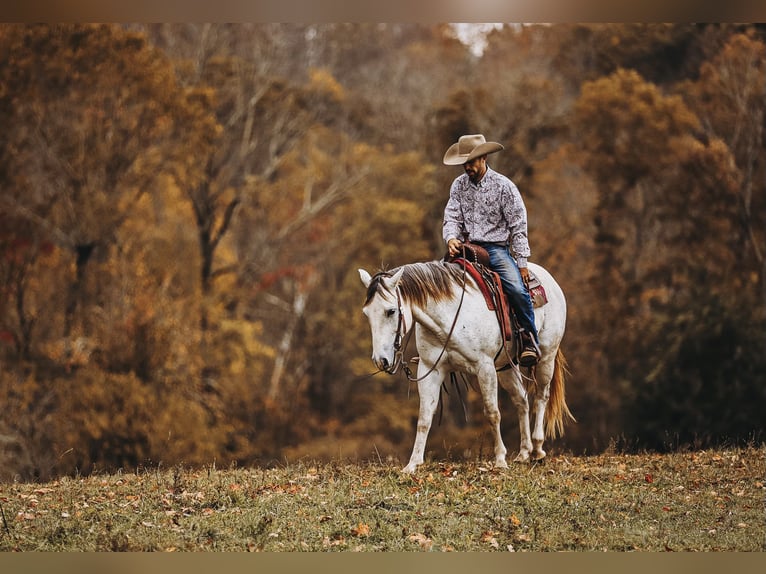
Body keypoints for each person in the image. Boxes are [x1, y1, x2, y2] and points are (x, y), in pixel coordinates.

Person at [442, 134, 541, 367]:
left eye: (472, 162)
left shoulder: (504, 187)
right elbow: (452, 216)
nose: (467, 167)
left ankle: (529, 338)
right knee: (438, 284)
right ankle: (441, 343)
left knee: (516, 288)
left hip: (495, 249)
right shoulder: (458, 186)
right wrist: (451, 239)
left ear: (484, 158)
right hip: (466, 247)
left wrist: (522, 262)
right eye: (464, 163)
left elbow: (518, 224)